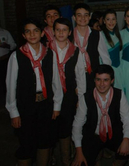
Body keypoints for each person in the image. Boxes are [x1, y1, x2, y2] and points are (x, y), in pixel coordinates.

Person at [6, 18, 63, 166]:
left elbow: (56, 82)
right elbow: (11, 86)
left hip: (45, 105)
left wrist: (56, 106)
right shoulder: (16, 56)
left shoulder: (49, 54)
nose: (32, 34)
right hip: (25, 107)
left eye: (36, 31)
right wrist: (14, 112)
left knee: (45, 141)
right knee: (26, 143)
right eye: (28, 31)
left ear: (42, 33)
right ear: (24, 35)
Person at [72, 64, 129, 166]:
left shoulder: (119, 95)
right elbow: (77, 125)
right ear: (94, 80)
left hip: (113, 133)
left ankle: (115, 163)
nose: (101, 84)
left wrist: (126, 140)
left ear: (112, 81)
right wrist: (78, 151)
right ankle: (98, 157)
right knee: (80, 163)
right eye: (98, 79)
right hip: (93, 135)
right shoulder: (86, 97)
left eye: (106, 80)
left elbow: (127, 119)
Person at [49, 18, 83, 166]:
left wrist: (80, 98)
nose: (61, 33)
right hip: (49, 95)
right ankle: (49, 156)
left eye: (64, 30)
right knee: (49, 127)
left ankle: (66, 159)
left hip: (69, 94)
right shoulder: (46, 49)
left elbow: (80, 77)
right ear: (53, 31)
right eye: (57, 30)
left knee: (66, 126)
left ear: (70, 32)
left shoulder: (75, 51)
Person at [72, 3, 111, 96]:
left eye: (86, 15)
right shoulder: (69, 36)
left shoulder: (97, 34)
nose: (83, 18)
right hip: (75, 77)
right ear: (74, 17)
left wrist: (104, 78)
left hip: (93, 76)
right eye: (79, 15)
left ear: (89, 17)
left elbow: (105, 58)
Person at [101, 9, 123, 89]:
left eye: (113, 19)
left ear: (116, 20)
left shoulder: (118, 34)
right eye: (108, 19)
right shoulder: (101, 36)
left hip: (119, 70)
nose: (111, 22)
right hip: (108, 71)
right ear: (104, 21)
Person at [0, 26, 16, 96]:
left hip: (3, 60)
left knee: (5, 80)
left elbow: (13, 45)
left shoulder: (5, 32)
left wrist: (6, 45)